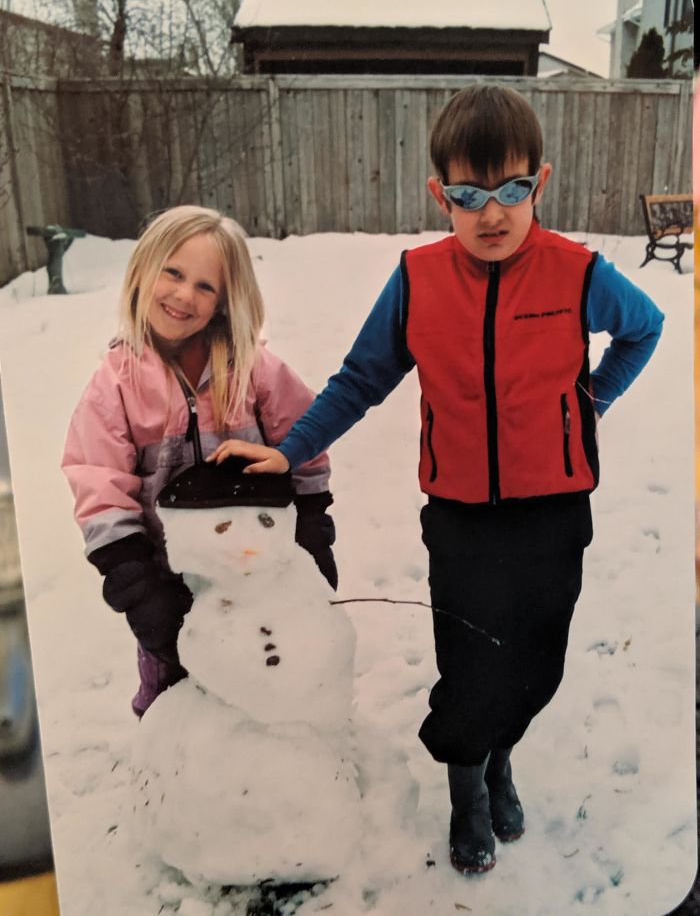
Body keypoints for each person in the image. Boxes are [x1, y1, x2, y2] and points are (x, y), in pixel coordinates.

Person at [206, 85, 665, 875]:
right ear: (439, 195)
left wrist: (590, 401)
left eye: (511, 189)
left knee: (537, 658)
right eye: (469, 195)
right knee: (470, 659)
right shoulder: (418, 280)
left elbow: (645, 327)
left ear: (540, 183)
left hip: (555, 509)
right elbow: (360, 379)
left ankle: (499, 755)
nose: (492, 213)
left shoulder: (578, 272)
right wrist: (291, 448)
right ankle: (468, 788)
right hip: (460, 513)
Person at [61, 205, 337, 718]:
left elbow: (303, 445)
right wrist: (137, 585)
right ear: (144, 269)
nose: (184, 295)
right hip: (166, 578)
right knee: (176, 704)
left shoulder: (253, 369)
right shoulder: (116, 384)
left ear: (224, 301)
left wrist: (312, 532)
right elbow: (100, 487)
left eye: (205, 286)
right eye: (173, 273)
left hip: (257, 575)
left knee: (269, 688)